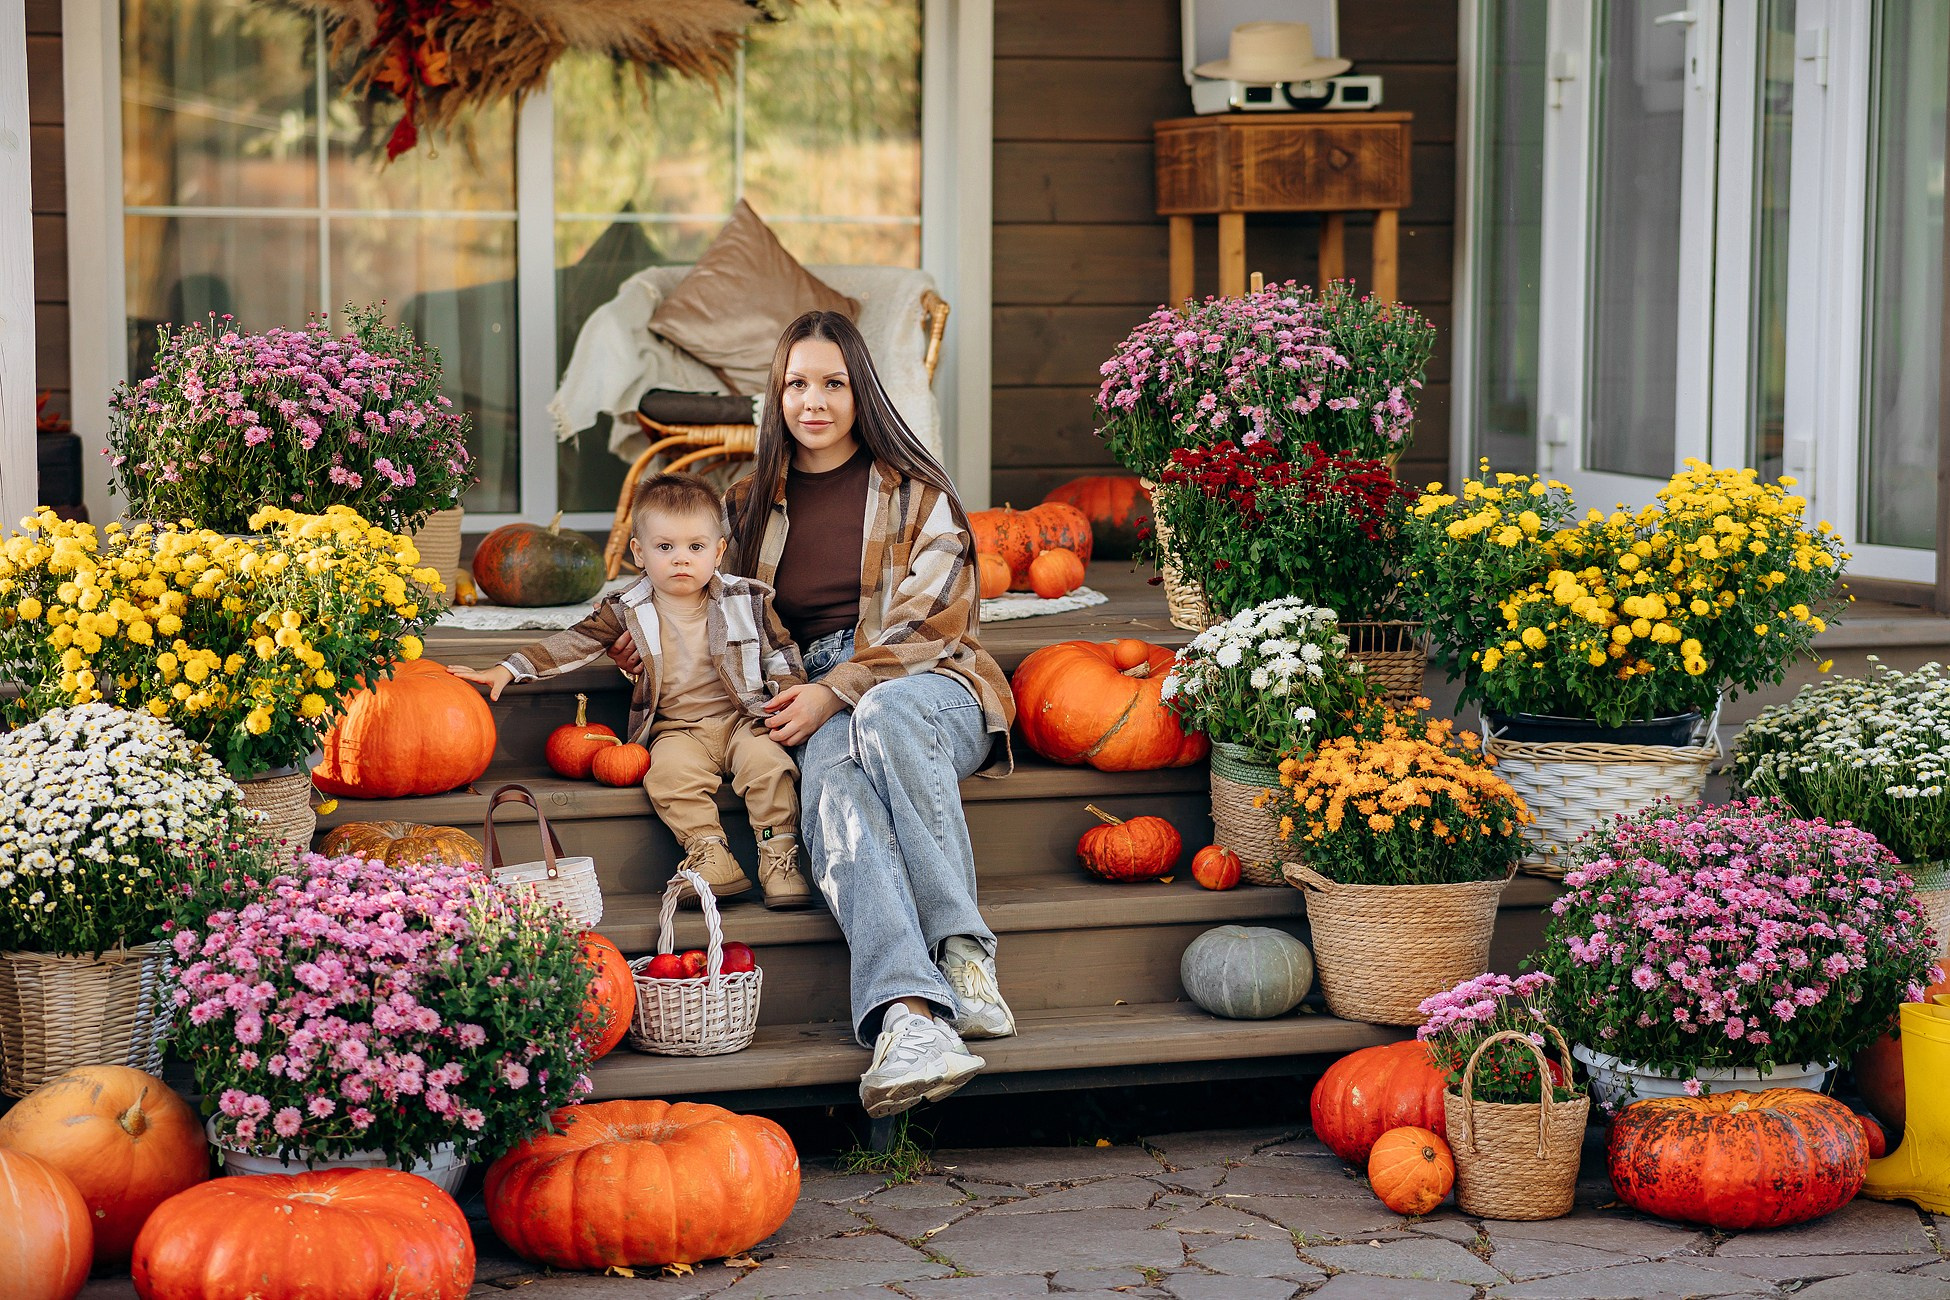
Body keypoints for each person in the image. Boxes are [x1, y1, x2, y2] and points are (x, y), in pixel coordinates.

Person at [608, 310, 1018, 1118]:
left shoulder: (920, 493)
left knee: (884, 716)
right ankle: (909, 1017)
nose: (814, 400)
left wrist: (842, 687)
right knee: (831, 794)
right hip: (804, 690)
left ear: (860, 391)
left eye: (833, 382)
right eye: (797, 383)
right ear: (777, 395)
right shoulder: (748, 504)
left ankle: (964, 952)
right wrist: (655, 646)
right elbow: (700, 603)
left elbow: (932, 624)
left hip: (932, 687)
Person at [451, 472, 815, 910]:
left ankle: (779, 860)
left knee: (770, 767)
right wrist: (509, 669)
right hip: (678, 728)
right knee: (668, 777)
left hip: (743, 720)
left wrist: (789, 694)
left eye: (695, 547)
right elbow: (573, 642)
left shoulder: (746, 600)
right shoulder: (627, 607)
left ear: (718, 551)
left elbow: (781, 654)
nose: (681, 559)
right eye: (665, 547)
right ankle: (712, 856)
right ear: (639, 553)